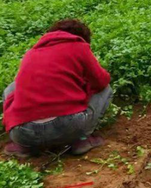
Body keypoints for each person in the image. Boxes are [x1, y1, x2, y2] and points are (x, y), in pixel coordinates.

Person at [3, 19, 112, 158]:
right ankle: (81, 140)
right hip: (68, 127)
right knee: (105, 89)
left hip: (23, 132)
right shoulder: (79, 46)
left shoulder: (31, 53)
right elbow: (101, 81)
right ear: (81, 37)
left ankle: (23, 146)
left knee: (12, 87)